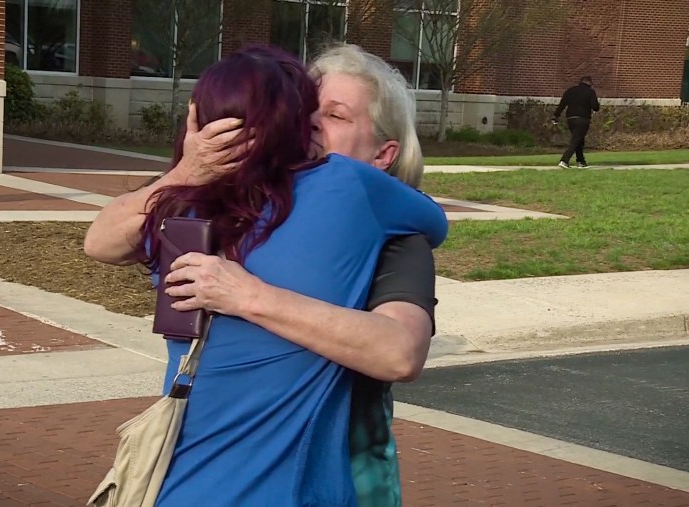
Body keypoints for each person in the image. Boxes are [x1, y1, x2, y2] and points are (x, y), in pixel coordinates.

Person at [87, 45, 449, 506]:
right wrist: (188, 171)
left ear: (384, 153)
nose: (312, 123)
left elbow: (399, 353)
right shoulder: (210, 202)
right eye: (305, 108)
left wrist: (246, 295)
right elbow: (100, 243)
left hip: (315, 478)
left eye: (335, 115)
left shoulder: (387, 228)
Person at [553, 75, 600, 168]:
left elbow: (562, 104)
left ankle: (581, 161)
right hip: (583, 118)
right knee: (576, 140)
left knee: (579, 139)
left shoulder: (570, 91)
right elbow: (595, 107)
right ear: (589, 83)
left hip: (570, 118)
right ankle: (564, 160)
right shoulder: (590, 92)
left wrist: (556, 116)